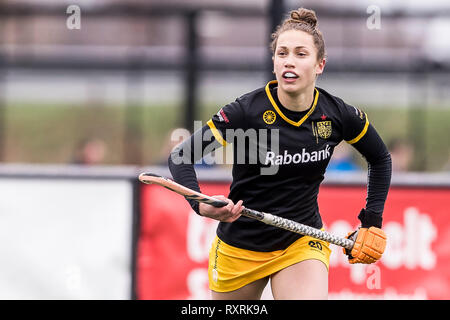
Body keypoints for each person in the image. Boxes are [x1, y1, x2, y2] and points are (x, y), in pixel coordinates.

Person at [168, 8, 391, 300]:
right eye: (282, 53)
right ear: (274, 63)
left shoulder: (339, 115)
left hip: (301, 240)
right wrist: (200, 204)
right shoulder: (246, 111)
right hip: (240, 246)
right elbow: (181, 155)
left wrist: (372, 221)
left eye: (301, 54)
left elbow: (380, 158)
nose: (290, 61)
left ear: (320, 64)